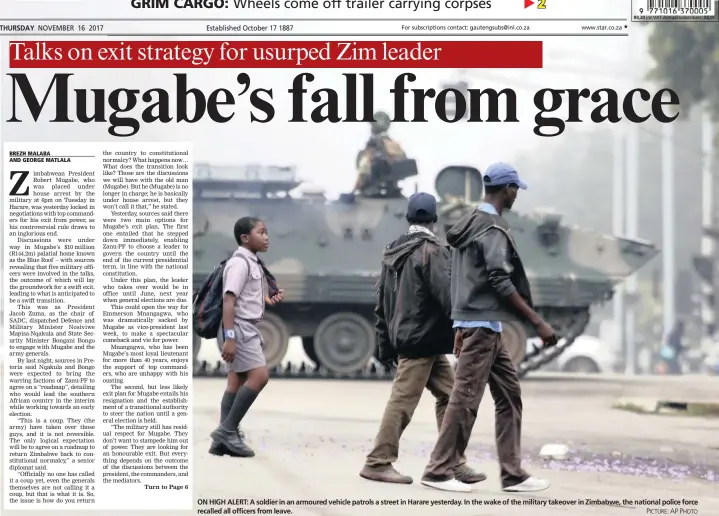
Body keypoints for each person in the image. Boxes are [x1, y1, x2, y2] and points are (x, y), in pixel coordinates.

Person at [420, 162, 558, 493]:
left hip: (483, 324)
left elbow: (460, 274)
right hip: (481, 327)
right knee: (464, 398)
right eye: (515, 189)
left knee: (509, 397)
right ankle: (437, 470)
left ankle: (512, 474)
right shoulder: (492, 228)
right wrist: (537, 321)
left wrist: (459, 319)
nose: (516, 195)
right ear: (507, 189)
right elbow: (498, 277)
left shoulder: (469, 222)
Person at [360, 193, 486, 485]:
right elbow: (448, 297)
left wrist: (385, 344)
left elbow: (381, 301)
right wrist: (467, 326)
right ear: (434, 219)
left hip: (412, 339)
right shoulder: (432, 250)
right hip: (423, 341)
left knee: (451, 395)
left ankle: (452, 461)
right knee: (403, 400)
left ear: (408, 218)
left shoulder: (392, 250)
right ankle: (378, 461)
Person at [209, 217, 284, 457]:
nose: (266, 237)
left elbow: (243, 295)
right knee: (259, 376)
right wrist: (230, 337)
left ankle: (220, 443)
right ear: (245, 238)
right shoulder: (240, 263)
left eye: (266, 232)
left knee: (235, 382)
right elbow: (229, 301)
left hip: (242, 327)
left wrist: (266, 300)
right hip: (240, 328)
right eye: (261, 232)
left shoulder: (251, 262)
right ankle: (227, 431)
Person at [354, 111, 407, 193]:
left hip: (373, 188)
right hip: (390, 189)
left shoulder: (373, 148)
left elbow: (363, 169)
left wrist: (357, 186)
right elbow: (402, 160)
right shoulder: (393, 145)